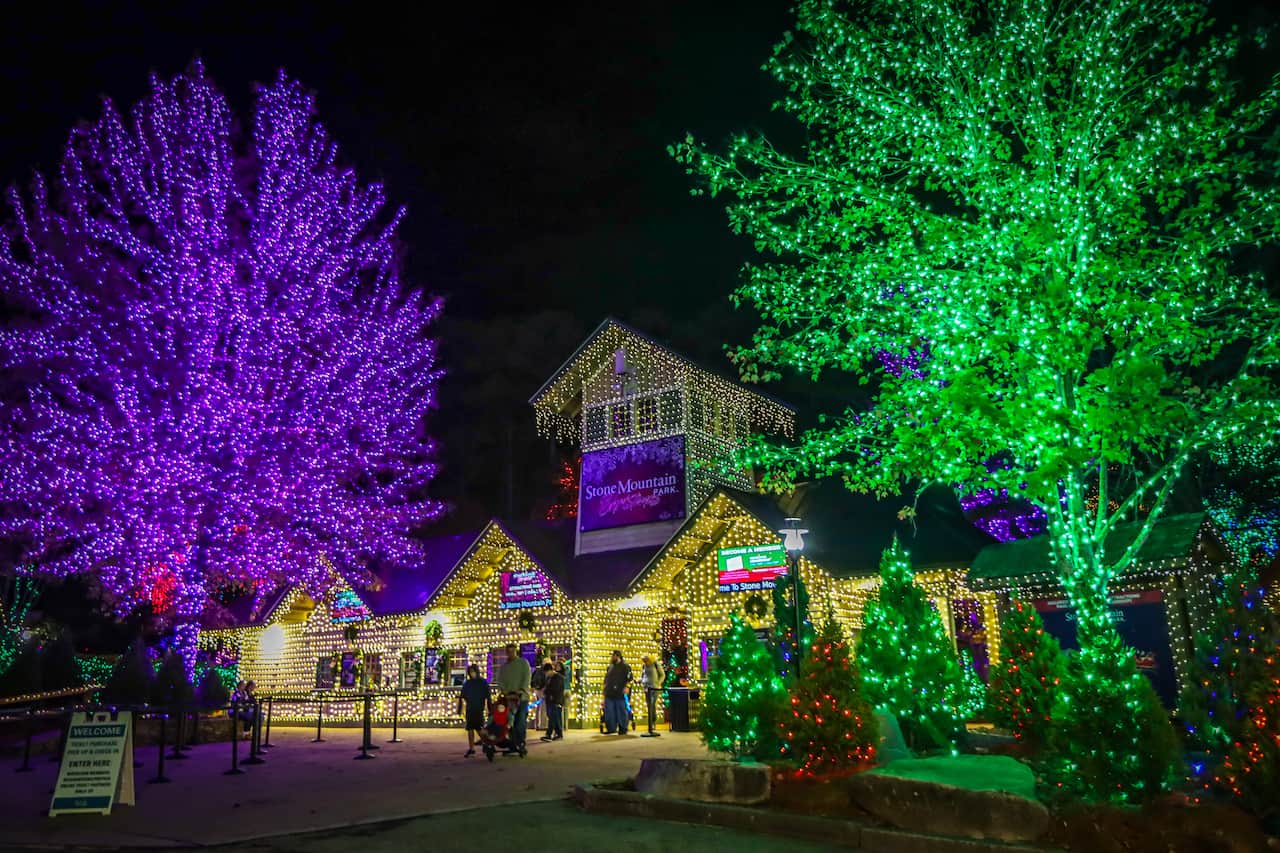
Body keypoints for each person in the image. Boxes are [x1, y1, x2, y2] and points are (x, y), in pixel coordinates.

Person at [496, 643, 531, 752]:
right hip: (508, 698)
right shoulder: (504, 667)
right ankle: (512, 744)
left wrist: (521, 690)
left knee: (520, 721)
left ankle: (520, 743)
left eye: (512, 651)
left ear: (516, 651)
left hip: (521, 698)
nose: (510, 654)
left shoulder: (523, 663)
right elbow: (500, 680)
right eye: (508, 652)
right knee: (509, 722)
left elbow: (527, 677)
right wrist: (504, 691)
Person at [458, 664, 491, 757]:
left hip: (478, 708)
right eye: (470, 672)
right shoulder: (468, 683)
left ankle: (486, 743)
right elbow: (462, 695)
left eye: (473, 671)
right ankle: (472, 748)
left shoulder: (482, 682)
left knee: (479, 728)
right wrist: (461, 707)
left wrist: (489, 708)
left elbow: (488, 696)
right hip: (470, 708)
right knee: (470, 728)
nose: (472, 674)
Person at [602, 650, 632, 735]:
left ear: (617, 656)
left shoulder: (625, 667)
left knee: (621, 710)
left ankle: (623, 728)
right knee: (609, 711)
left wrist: (627, 687)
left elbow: (629, 678)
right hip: (609, 692)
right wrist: (604, 689)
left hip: (620, 692)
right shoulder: (610, 667)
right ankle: (611, 728)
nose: (611, 658)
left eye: (613, 656)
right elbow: (606, 679)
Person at [640, 654, 666, 737]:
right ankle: (650, 724)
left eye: (645, 660)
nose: (644, 662)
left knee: (652, 704)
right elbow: (643, 676)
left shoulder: (655, 664)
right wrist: (640, 680)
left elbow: (662, 675)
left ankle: (652, 722)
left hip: (654, 688)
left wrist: (658, 683)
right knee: (649, 705)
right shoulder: (644, 666)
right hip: (646, 688)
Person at [539, 662, 565, 742]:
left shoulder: (558, 678)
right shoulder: (550, 678)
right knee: (553, 717)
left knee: (553, 718)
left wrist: (546, 691)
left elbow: (555, 689)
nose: (546, 674)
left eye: (546, 672)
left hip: (555, 700)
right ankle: (558, 733)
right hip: (550, 700)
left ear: (550, 670)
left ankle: (549, 734)